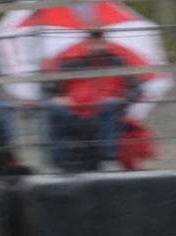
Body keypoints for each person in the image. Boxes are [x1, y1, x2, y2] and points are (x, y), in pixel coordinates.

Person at [44, 29, 132, 173]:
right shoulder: (71, 62)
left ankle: (107, 157)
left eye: (99, 38)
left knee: (110, 105)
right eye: (92, 39)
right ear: (86, 41)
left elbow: (134, 89)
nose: (96, 43)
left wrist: (119, 99)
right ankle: (59, 160)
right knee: (50, 106)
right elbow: (53, 88)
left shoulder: (117, 61)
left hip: (104, 114)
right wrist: (58, 98)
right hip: (75, 112)